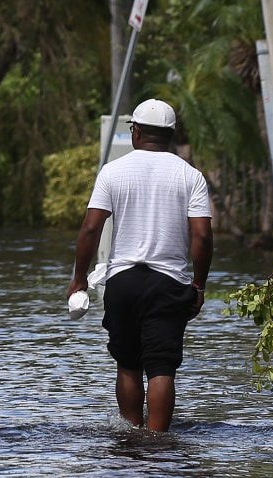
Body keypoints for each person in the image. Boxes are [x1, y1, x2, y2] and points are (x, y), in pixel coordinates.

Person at [67, 98, 213, 432]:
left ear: (136, 133)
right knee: (162, 368)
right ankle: (158, 441)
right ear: (171, 135)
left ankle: (131, 436)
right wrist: (199, 287)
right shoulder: (191, 176)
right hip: (168, 283)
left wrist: (79, 279)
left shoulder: (112, 172)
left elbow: (91, 228)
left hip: (123, 282)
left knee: (128, 364)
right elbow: (202, 238)